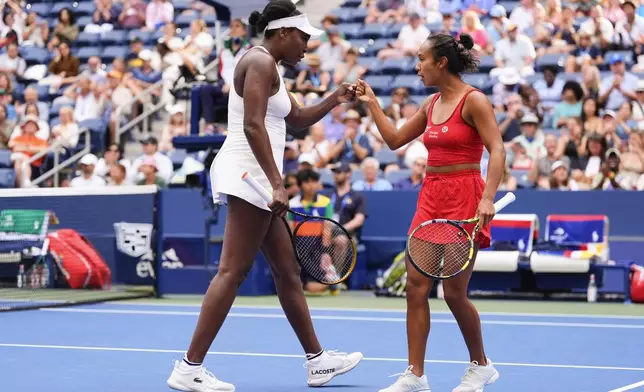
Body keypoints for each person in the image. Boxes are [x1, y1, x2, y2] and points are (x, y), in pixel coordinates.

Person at [166, 1, 363, 391]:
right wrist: (277, 183)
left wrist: (335, 99)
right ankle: (189, 368)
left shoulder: (270, 67)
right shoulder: (258, 62)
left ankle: (318, 361)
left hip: (257, 177)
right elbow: (253, 126)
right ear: (284, 32)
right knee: (232, 271)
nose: (307, 47)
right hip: (248, 176)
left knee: (287, 272)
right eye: (304, 38)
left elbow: (298, 119)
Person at [356, 32, 506, 392]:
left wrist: (487, 197)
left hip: (465, 198)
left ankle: (480, 366)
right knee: (415, 287)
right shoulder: (429, 105)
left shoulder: (475, 102)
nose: (417, 66)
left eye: (422, 59)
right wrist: (372, 103)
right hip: (430, 199)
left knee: (454, 293)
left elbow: (497, 149)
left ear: (442, 62)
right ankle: (415, 375)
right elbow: (394, 140)